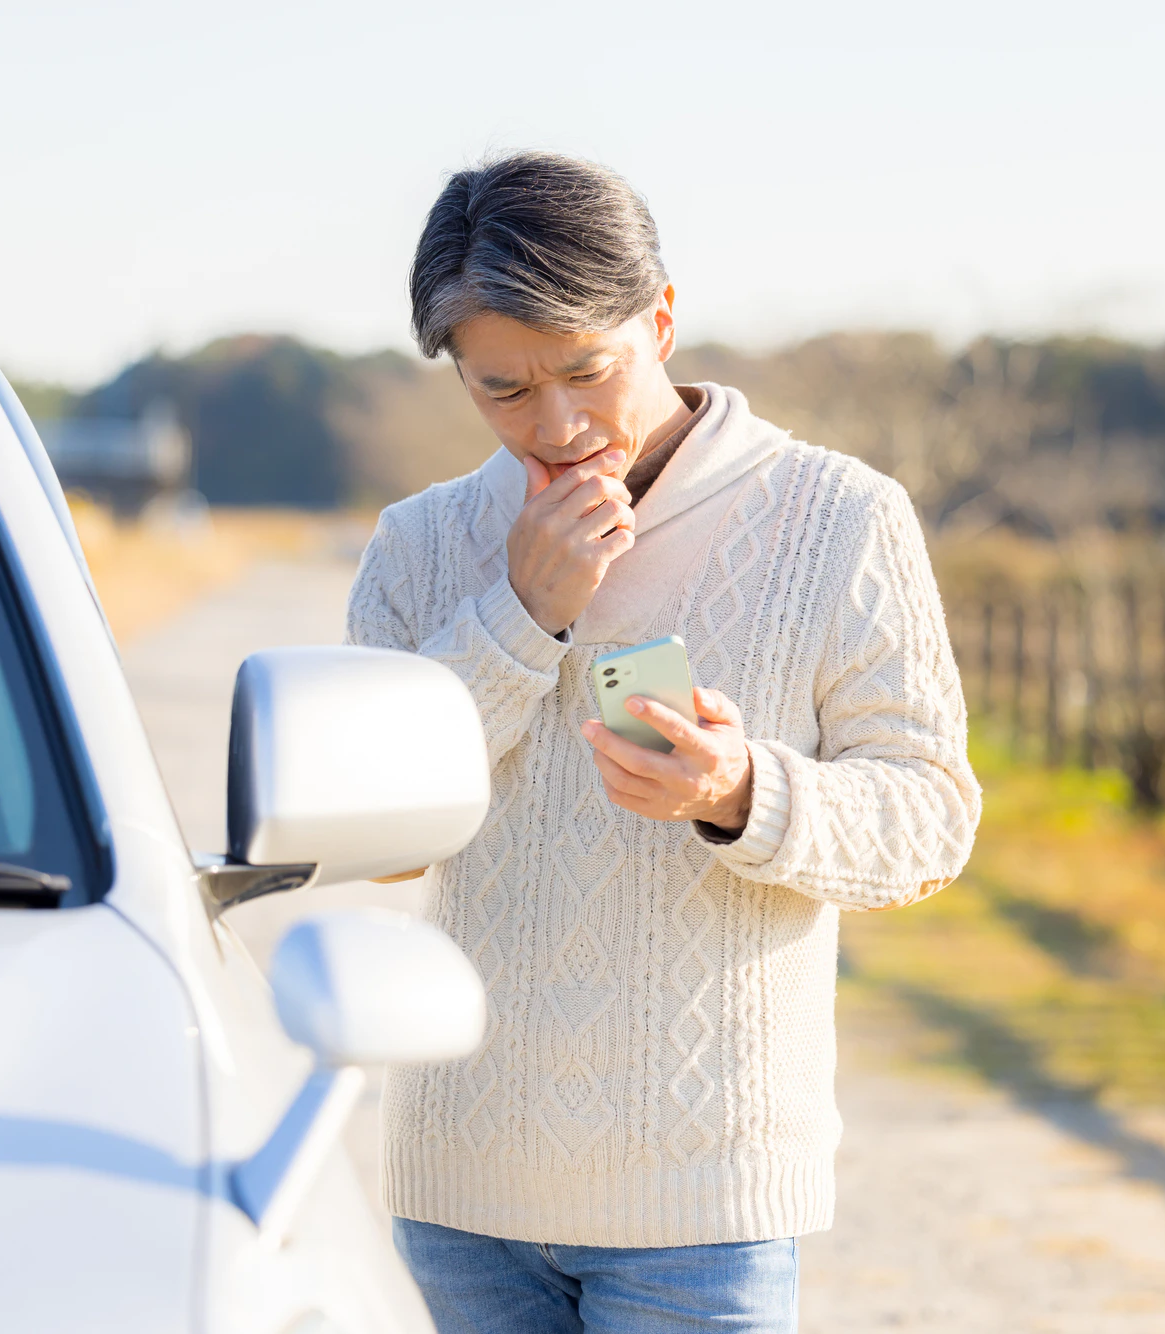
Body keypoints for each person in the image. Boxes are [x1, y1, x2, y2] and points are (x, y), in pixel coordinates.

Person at [346, 151, 981, 1334]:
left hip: (704, 1207)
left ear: (663, 317)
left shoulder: (838, 518)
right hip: (460, 1196)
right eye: (503, 390)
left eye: (589, 369)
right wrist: (516, 616)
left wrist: (746, 792)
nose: (559, 423)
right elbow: (373, 841)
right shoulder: (419, 544)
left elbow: (932, 818)